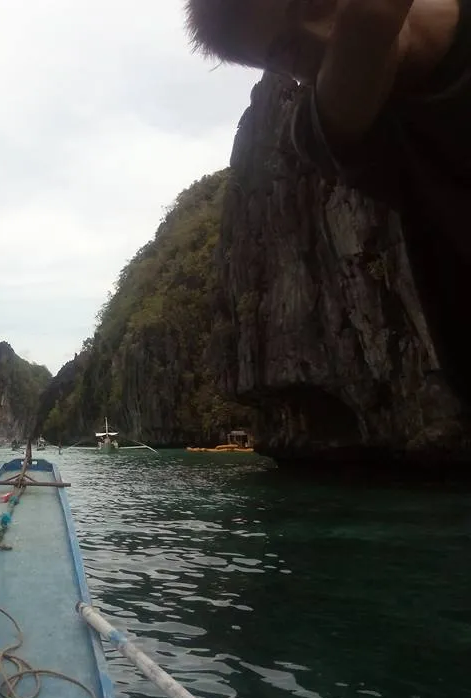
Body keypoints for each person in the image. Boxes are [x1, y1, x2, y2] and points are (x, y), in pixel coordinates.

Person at [184, 0, 471, 404]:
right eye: (290, 51)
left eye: (316, 4)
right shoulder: (324, 131)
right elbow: (368, 21)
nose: (325, 36)